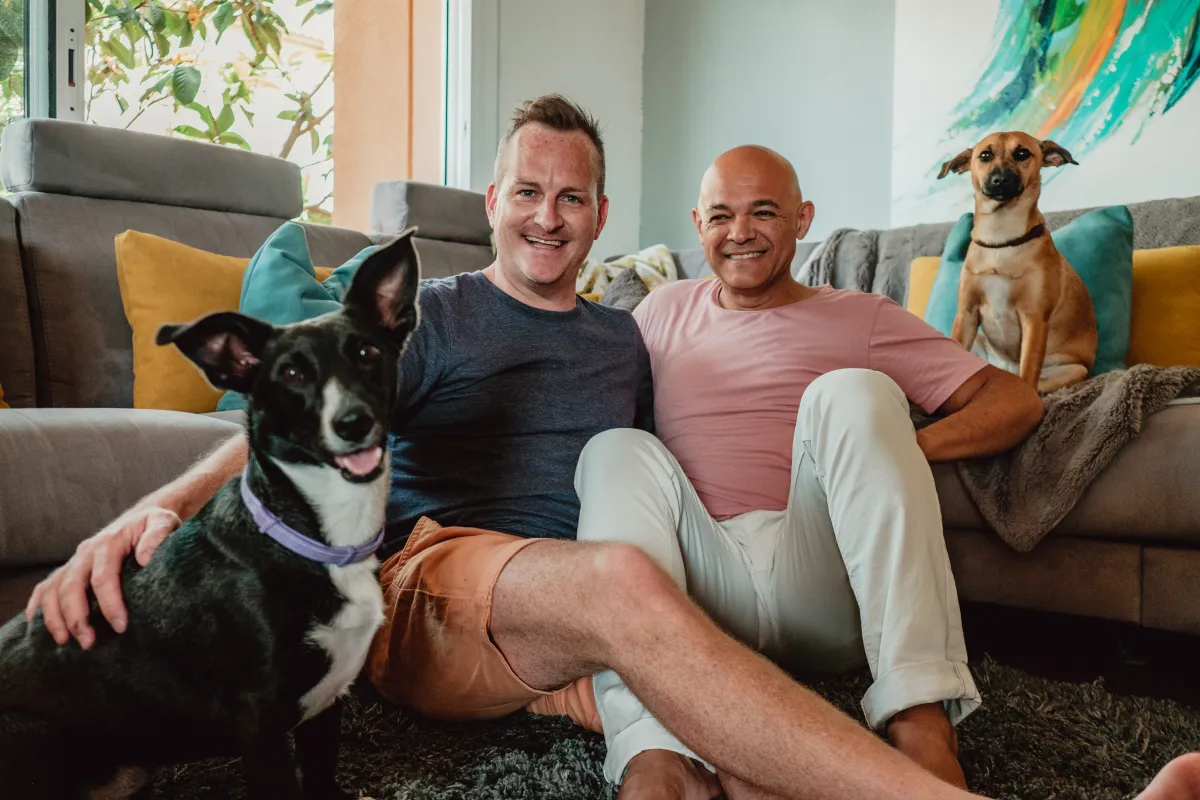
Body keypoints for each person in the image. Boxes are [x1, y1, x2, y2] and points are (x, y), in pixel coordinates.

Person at [22, 98, 1200, 800]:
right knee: (625, 547)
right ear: (493, 199)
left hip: (586, 606)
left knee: (731, 732)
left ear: (602, 214)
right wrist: (153, 510)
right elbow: (297, 425)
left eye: (575, 195)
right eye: (528, 190)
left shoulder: (627, 327)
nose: (549, 214)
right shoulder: (428, 321)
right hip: (446, 576)